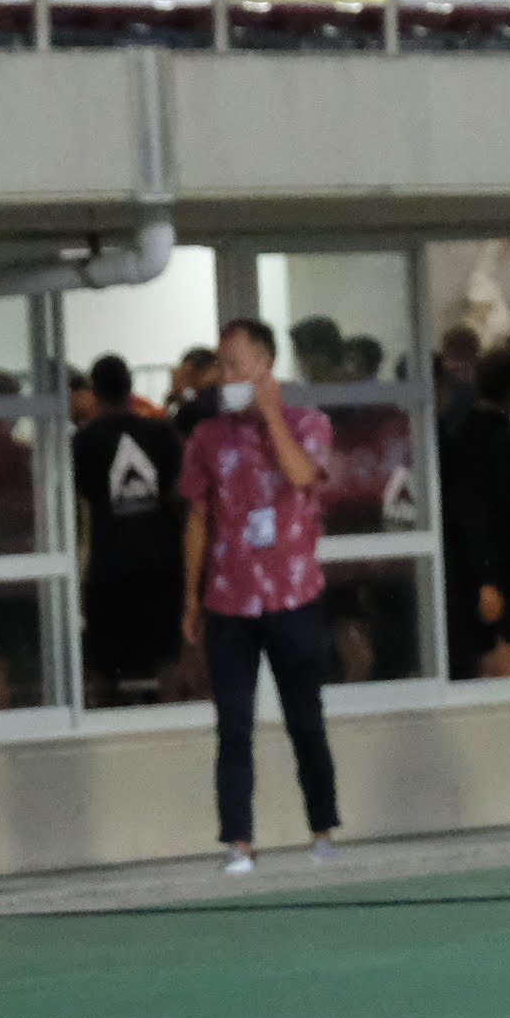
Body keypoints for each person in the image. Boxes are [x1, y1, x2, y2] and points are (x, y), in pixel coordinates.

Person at [180, 318, 340, 874]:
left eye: (233, 364)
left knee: (305, 717)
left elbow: (301, 475)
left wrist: (271, 414)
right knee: (233, 723)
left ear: (264, 366)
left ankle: (321, 828)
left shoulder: (308, 422)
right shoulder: (207, 437)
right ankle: (238, 842)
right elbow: (198, 517)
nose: (224, 376)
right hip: (229, 599)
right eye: (220, 365)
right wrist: (190, 599)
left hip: (294, 594)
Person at [68, 354, 186, 705]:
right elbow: (179, 494)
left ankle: (101, 732)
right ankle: (176, 729)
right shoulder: (162, 433)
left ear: (95, 391)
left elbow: (81, 503)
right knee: (168, 656)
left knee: (103, 663)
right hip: (161, 561)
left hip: (109, 565)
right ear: (130, 386)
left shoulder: (83, 442)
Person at [440, 349, 510, 680]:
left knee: (482, 655)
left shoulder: (454, 435)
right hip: (509, 570)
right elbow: (508, 513)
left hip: (465, 567)